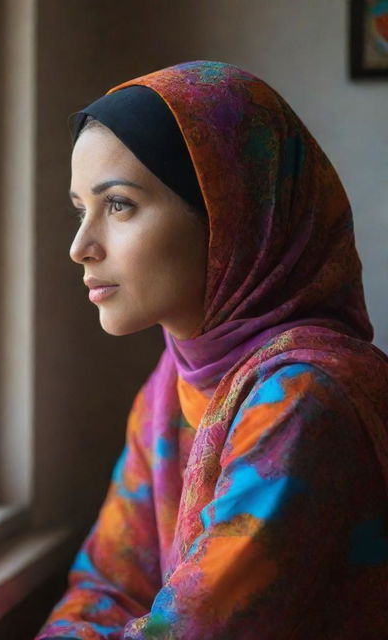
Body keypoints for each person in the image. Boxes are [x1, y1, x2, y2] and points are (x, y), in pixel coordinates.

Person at [35, 61, 388, 639]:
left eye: (119, 204)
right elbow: (106, 584)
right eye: (81, 210)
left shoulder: (306, 398)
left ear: (230, 212)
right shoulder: (168, 389)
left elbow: (194, 632)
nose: (80, 246)